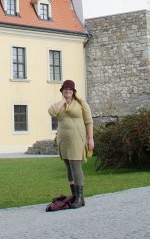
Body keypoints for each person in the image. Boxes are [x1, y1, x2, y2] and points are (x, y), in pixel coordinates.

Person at [48, 79, 94, 208]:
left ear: (73, 92)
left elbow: (89, 121)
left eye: (69, 89)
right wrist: (63, 100)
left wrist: (90, 138)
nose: (67, 91)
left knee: (75, 166)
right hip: (63, 140)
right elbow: (51, 112)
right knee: (68, 166)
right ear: (62, 91)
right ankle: (75, 196)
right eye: (65, 89)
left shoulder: (81, 104)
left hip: (76, 139)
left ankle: (80, 197)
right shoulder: (59, 105)